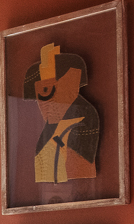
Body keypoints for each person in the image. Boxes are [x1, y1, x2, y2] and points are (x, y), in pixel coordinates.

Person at [25, 41, 101, 183]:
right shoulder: (50, 127)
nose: (43, 104)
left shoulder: (82, 121)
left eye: (46, 91)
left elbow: (77, 172)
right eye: (38, 97)